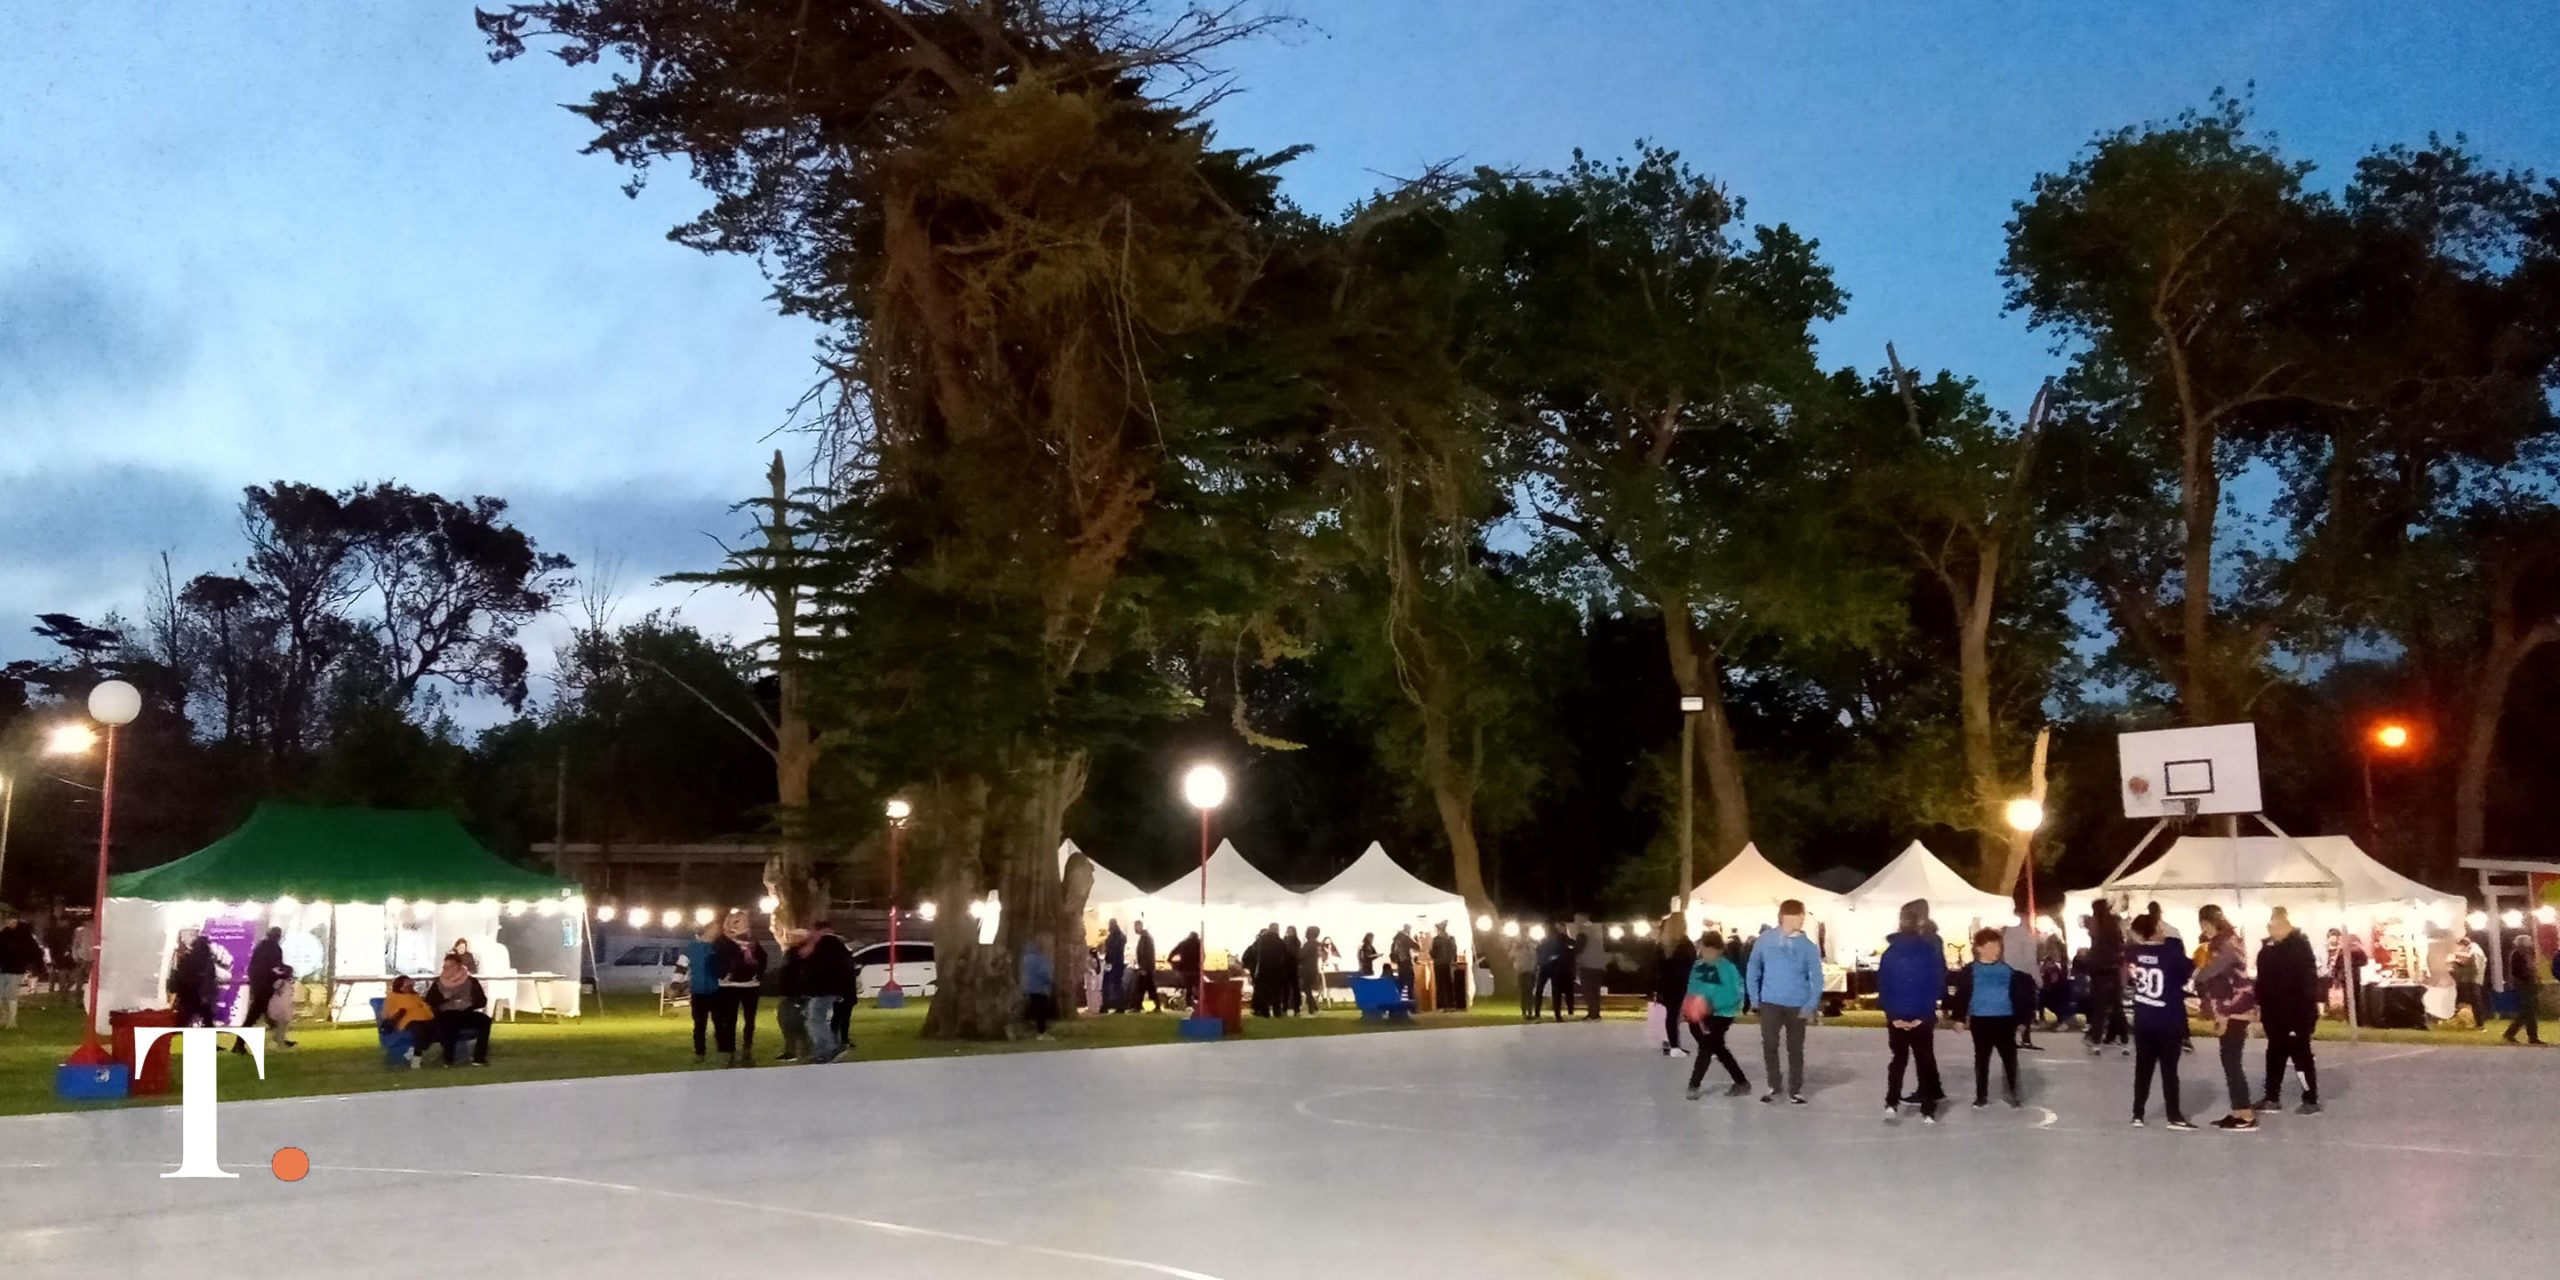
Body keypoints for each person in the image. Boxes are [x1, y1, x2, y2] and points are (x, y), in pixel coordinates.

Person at [1876, 899, 1947, 1123]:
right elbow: (1934, 983)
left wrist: (1892, 1016)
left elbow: (1883, 985)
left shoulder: (1890, 953)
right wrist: (1925, 1014)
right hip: (1921, 1013)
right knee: (1924, 1059)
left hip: (1899, 1013)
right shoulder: (1928, 950)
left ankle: (1891, 1102)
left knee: (1899, 1059)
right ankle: (1928, 1108)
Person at [1746, 900, 1823, 1105]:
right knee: (1769, 1044)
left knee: (1795, 1048)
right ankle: (1774, 1084)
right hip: (1770, 1002)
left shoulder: (1808, 947)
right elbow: (1753, 967)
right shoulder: (1766, 940)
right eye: (1799, 916)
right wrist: (1754, 998)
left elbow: (1816, 977)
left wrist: (1810, 1004)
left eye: (1803, 916)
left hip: (1797, 1004)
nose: (1802, 919)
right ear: (1786, 916)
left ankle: (1795, 1089)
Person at [2125, 911, 2197, 1130]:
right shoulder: (2171, 951)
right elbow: (2188, 971)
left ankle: (2138, 1113)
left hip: (2144, 1018)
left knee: (2143, 1068)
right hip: (2168, 1019)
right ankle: (2173, 1115)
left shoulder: (2133, 952)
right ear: (2156, 928)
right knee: (2169, 1070)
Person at [2194, 905, 2259, 1129]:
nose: (2203, 929)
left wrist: (2221, 1014)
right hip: (2235, 1007)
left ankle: (2245, 1115)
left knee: (2231, 1061)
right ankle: (2238, 1111)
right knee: (2230, 1060)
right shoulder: (2228, 941)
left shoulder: (2223, 945)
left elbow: (2215, 977)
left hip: (2234, 1009)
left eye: (2204, 924)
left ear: (2210, 922)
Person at [1953, 928, 2030, 1109]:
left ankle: (2013, 1092)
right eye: (1991, 947)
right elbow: (1962, 995)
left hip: (2005, 1019)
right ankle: (1981, 1096)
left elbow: (2019, 997)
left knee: (2009, 1057)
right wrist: (1959, 1018)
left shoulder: (2008, 971)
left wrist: (2022, 1020)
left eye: (1998, 947)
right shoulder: (1970, 971)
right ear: (1979, 948)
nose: (1996, 951)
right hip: (1980, 1019)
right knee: (1982, 1058)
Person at [2255, 907, 2321, 1115]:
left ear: (2284, 924)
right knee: (2274, 1056)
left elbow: (2308, 984)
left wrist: (2304, 1015)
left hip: (2295, 1015)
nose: (2269, 929)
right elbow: (2263, 981)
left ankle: (2310, 1099)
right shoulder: (2268, 948)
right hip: (2274, 1015)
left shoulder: (2299, 948)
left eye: (2272, 926)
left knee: (2301, 1056)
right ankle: (2271, 1097)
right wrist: (2261, 1005)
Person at [1682, 932, 1750, 1099]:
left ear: (1719, 951)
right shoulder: (1699, 966)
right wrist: (1689, 1007)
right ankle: (1741, 1082)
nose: (1707, 954)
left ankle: (1694, 1085)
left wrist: (1713, 1005)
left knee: (1707, 1046)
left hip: (1722, 1013)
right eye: (1705, 950)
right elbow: (1693, 988)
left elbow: (1733, 994)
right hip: (1702, 1013)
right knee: (1718, 1047)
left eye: (1711, 950)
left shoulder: (1727, 968)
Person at [713, 909, 766, 1068]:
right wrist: (723, 974)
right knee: (730, 1020)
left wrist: (758, 972)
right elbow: (717, 959)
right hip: (729, 986)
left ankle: (747, 1052)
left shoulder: (753, 942)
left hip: (750, 986)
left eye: (743, 921)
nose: (740, 924)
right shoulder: (723, 941)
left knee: (750, 1020)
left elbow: (763, 958)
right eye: (736, 921)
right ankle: (730, 1053)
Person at [801, 920, 857, 1064]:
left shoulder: (826, 944)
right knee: (819, 1019)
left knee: (816, 1020)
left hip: (823, 989)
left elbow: (817, 966)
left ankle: (829, 1050)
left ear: (820, 930)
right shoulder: (839, 945)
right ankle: (825, 1051)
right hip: (831, 989)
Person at [424, 954, 492, 1066]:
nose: (446, 969)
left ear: (458, 966)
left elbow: (482, 1001)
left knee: (485, 1021)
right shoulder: (439, 983)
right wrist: (444, 998)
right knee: (448, 1023)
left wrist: (469, 1004)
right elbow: (430, 1001)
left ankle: (479, 1057)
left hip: (466, 1012)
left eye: (449, 966)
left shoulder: (471, 981)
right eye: (445, 967)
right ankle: (448, 1059)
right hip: (446, 1013)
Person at [233, 926, 288, 1054]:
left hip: (258, 985)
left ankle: (279, 1037)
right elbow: (275, 968)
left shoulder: (261, 946)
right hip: (265, 987)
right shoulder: (274, 948)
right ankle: (239, 1044)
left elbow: (257, 967)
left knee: (263, 1014)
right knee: (254, 1016)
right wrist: (285, 973)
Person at [2084, 899, 2128, 1053]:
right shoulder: (2114, 923)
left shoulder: (2095, 925)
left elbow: (2091, 936)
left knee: (2099, 1007)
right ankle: (2124, 1040)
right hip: (2113, 968)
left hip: (2098, 971)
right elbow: (2121, 944)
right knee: (2117, 1007)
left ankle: (2096, 1041)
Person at [1653, 921, 1697, 1057]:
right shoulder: (1686, 945)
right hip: (1682, 983)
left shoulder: (1663, 945)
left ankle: (1671, 1044)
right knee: (1680, 1015)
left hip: (1667, 984)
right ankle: (1675, 1045)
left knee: (1670, 1015)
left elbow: (1656, 967)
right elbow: (1692, 963)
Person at [686, 920, 724, 1063]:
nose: (718, 931)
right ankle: (699, 1053)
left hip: (716, 991)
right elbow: (682, 965)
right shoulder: (692, 947)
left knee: (719, 1023)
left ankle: (723, 1051)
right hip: (698, 992)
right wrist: (676, 985)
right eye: (715, 928)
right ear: (708, 929)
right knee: (699, 1025)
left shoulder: (718, 947)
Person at [377, 975, 437, 1066]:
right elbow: (388, 1012)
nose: (411, 984)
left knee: (434, 1027)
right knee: (420, 1029)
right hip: (408, 1021)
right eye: (407, 982)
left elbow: (425, 1007)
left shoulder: (415, 996)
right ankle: (417, 1057)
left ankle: (415, 1052)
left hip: (425, 1019)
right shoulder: (393, 996)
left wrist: (426, 1010)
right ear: (401, 985)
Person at [0, 913, 45, 1030]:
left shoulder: (25, 935)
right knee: (1, 995)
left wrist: (36, 966)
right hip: (3, 968)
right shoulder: (4, 934)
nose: (9, 922)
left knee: (11, 995)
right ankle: (4, 1018)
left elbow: (35, 952)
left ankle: (12, 1020)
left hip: (16, 969)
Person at [772, 927, 811, 1063]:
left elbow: (796, 973)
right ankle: (796, 1050)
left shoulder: (800, 953)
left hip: (795, 993)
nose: (789, 938)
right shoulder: (793, 952)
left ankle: (799, 1050)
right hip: (790, 993)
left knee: (792, 1021)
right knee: (788, 1021)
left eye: (793, 936)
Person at [2004, 917, 2041, 1050]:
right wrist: (2038, 979)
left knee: (2013, 1008)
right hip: (2024, 975)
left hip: (2009, 974)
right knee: (2027, 1008)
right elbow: (2030, 960)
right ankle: (2025, 1039)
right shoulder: (2027, 937)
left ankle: (2011, 1038)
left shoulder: (2007, 935)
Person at [171, 932, 221, 1028]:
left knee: (182, 1021)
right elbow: (211, 980)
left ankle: (175, 1034)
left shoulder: (188, 959)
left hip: (189, 996)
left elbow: (180, 976)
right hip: (201, 997)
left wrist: (179, 992)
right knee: (207, 1020)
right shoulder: (208, 961)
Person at [2504, 933, 2545, 1046]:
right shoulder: (2517, 954)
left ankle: (2512, 1033)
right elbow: (2517, 971)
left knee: (2527, 1012)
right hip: (2523, 985)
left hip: (2528, 984)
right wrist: (2529, 976)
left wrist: (2536, 978)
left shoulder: (2526, 954)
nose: (2531, 943)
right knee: (2528, 1011)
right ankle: (2531, 1037)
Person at [1573, 914, 1607, 1022]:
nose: (1575, 923)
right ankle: (1595, 1013)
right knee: (1595, 991)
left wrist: (1570, 953)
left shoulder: (1583, 932)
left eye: (1576, 920)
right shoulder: (1595, 931)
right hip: (1599, 965)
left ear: (1581, 920)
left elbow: (1579, 948)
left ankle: (1592, 1014)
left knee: (1588, 990)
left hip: (1588, 965)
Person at [1021, 940, 1056, 1039]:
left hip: (1030, 987)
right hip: (1040, 988)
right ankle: (1042, 1032)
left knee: (1035, 1009)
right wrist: (1050, 981)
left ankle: (1036, 1029)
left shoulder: (1025, 960)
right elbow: (1043, 973)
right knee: (1041, 1011)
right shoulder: (1040, 959)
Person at [2449, 934, 2485, 1029]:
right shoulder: (2474, 950)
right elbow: (2468, 963)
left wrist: (2455, 956)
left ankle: (2480, 1023)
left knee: (2476, 1001)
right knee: (2474, 1001)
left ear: (2464, 945)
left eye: (2460, 946)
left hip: (2474, 979)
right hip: (2472, 979)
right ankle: (2478, 1022)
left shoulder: (2475, 950)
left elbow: (2470, 960)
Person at [1535, 925, 1570, 1021]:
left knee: (1543, 990)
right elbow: (1562, 953)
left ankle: (1539, 1012)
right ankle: (1556, 1014)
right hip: (1552, 967)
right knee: (1554, 991)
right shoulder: (1553, 941)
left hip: (1550, 967)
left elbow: (1539, 951)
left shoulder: (1546, 941)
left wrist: (1544, 960)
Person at [1132, 922, 1162, 1013]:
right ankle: (1142, 1005)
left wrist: (1144, 967)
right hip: (1147, 967)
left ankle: (1138, 1006)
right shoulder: (1145, 937)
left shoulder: (1145, 938)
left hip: (1146, 968)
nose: (1135, 929)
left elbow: (1146, 954)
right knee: (1148, 987)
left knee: (1143, 987)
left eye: (1136, 927)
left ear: (1140, 926)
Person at [1168, 931, 1203, 1010]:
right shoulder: (1199, 944)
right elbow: (1203, 956)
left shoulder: (1183, 943)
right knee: (1198, 987)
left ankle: (1189, 1004)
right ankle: (1199, 1003)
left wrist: (1170, 961)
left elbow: (1173, 952)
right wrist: (1200, 964)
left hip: (1185, 969)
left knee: (1188, 987)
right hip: (1195, 969)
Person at [1509, 929, 1539, 1021]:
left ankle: (1529, 1010)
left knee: (1529, 991)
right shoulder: (1516, 946)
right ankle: (1524, 1010)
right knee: (1523, 992)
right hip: (1522, 971)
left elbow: (1535, 957)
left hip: (1530, 971)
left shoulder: (1532, 946)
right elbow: (1511, 956)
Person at [1431, 923, 1460, 1011]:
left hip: (1439, 964)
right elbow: (1454, 951)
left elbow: (1434, 953)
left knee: (1440, 985)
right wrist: (1454, 961)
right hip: (1448, 963)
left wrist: (1430, 953)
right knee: (1449, 985)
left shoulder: (1436, 940)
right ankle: (1451, 1005)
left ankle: (1442, 1006)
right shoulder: (1451, 938)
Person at [1300, 926, 1328, 1014]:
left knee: (1306, 987)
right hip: (1314, 968)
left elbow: (1301, 955)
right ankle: (1313, 1007)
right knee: (1307, 988)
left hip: (1307, 968)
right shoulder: (1318, 944)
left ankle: (1312, 1007)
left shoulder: (1309, 944)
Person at [1102, 920, 1128, 1014]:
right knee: (1117, 985)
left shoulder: (1113, 936)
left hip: (1112, 963)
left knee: (1107, 985)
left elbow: (1112, 950)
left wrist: (1108, 960)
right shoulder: (1120, 936)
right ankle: (1120, 1006)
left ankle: (1106, 1006)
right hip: (1118, 963)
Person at [1279, 926, 1303, 1016]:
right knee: (1290, 989)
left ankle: (1291, 1008)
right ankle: (1291, 1008)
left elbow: (1292, 953)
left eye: (1290, 931)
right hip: (1291, 967)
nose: (1289, 933)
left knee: (1290, 989)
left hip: (1290, 967)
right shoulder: (1293, 941)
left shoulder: (1292, 941)